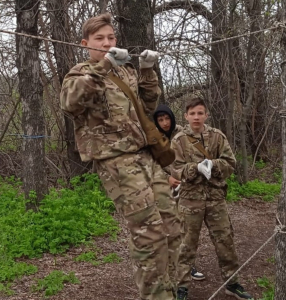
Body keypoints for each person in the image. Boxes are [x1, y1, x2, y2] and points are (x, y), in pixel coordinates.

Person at [60, 13, 178, 300]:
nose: (107, 42)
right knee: (148, 235)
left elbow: (147, 106)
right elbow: (70, 103)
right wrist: (104, 66)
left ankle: (169, 290)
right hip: (116, 162)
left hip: (145, 157)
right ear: (86, 43)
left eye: (111, 37)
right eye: (100, 39)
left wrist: (147, 71)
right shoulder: (80, 72)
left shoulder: (125, 72)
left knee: (172, 226)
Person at [170, 97, 254, 300]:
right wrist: (195, 168)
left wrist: (213, 165)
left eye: (200, 113)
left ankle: (232, 283)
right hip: (190, 200)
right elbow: (174, 169)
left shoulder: (217, 136)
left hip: (215, 198)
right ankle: (181, 287)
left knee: (225, 240)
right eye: (192, 113)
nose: (196, 117)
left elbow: (230, 163)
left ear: (206, 115)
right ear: (186, 116)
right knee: (186, 245)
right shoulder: (179, 140)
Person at [153, 104, 206, 282]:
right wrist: (165, 178)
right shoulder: (153, 140)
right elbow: (150, 164)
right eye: (160, 120)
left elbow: (193, 157)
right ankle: (167, 268)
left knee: (185, 228)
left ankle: (186, 265)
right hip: (163, 188)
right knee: (167, 229)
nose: (165, 123)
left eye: (167, 118)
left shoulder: (183, 134)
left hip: (186, 184)